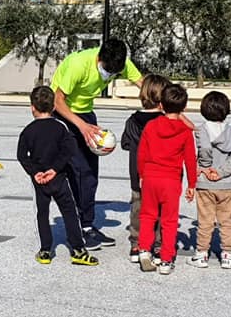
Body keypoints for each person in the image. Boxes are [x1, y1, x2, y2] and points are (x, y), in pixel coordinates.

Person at [50, 39, 143, 250]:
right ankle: (79, 228)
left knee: (90, 175)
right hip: (63, 114)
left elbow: (145, 86)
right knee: (79, 172)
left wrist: (169, 110)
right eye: (107, 71)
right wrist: (82, 127)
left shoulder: (121, 62)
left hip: (85, 114)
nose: (109, 76)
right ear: (99, 58)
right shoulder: (79, 65)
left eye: (114, 73)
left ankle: (87, 225)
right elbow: (57, 100)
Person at [16, 86, 99, 267]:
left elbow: (22, 155)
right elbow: (69, 149)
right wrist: (55, 169)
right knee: (70, 212)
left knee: (42, 214)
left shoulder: (28, 131)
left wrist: (35, 172)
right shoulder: (61, 127)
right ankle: (78, 249)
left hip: (39, 180)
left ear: (32, 108)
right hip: (59, 177)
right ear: (54, 107)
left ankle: (45, 250)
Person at [136, 83, 196, 275]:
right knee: (169, 221)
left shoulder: (151, 126)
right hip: (171, 180)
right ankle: (166, 259)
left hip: (151, 177)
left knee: (147, 216)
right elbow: (190, 160)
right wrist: (192, 184)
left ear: (161, 105)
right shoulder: (185, 131)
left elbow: (142, 153)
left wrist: (142, 174)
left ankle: (144, 249)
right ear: (184, 107)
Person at [188, 91, 231, 269]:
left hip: (205, 182)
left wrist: (206, 167)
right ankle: (227, 254)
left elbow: (204, 149)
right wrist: (221, 172)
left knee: (205, 219)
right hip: (226, 184)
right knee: (226, 220)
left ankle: (202, 253)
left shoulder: (201, 130)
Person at [120, 73, 169, 263]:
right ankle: (158, 244)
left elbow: (125, 143)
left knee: (138, 208)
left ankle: (136, 243)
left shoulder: (132, 121)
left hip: (137, 173)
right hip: (160, 174)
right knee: (160, 209)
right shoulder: (166, 121)